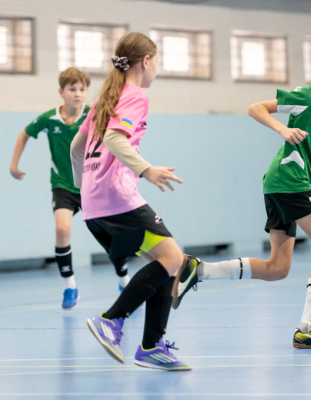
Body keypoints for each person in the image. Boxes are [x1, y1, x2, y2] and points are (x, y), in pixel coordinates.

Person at [172, 43, 311, 349]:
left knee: (278, 268)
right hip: (288, 180)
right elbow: (256, 108)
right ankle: (309, 328)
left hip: (283, 183)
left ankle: (199, 270)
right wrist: (282, 129)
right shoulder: (310, 96)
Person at [71, 32, 190, 371]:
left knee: (166, 263)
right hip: (118, 196)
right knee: (173, 257)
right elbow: (113, 137)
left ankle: (151, 346)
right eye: (157, 62)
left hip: (96, 202)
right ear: (146, 61)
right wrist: (146, 169)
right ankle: (111, 319)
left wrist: (83, 188)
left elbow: (76, 148)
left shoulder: (105, 99)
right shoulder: (135, 95)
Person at [9, 67, 130, 310]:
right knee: (62, 230)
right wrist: (14, 165)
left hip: (92, 186)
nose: (77, 93)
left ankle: (124, 281)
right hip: (63, 185)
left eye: (82, 89)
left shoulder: (93, 114)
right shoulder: (49, 119)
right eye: (72, 89)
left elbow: (118, 127)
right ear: (61, 92)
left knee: (110, 237)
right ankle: (70, 286)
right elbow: (24, 134)